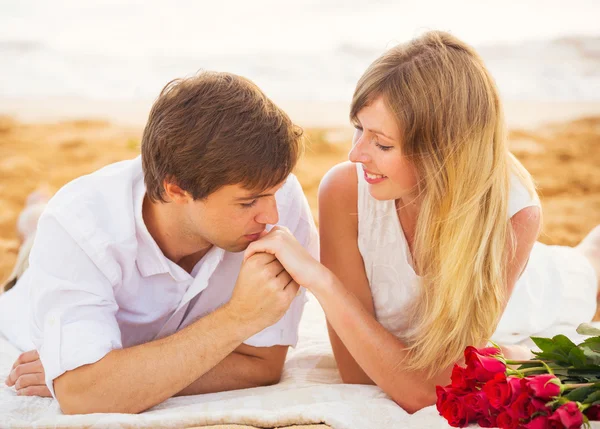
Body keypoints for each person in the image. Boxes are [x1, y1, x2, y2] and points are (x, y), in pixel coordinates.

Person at [243, 31, 600, 413]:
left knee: (587, 273)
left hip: (536, 293)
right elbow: (357, 373)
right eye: (358, 128)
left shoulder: (514, 213)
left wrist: (321, 280)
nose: (355, 153)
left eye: (381, 144)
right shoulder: (345, 191)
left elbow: (425, 391)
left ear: (441, 151)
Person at [0, 71, 318, 414]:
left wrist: (115, 379)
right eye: (247, 202)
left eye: (273, 193)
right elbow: (83, 396)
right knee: (36, 236)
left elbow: (262, 364)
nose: (271, 215)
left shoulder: (277, 199)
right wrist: (237, 319)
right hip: (33, 283)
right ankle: (34, 214)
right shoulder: (75, 225)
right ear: (176, 190)